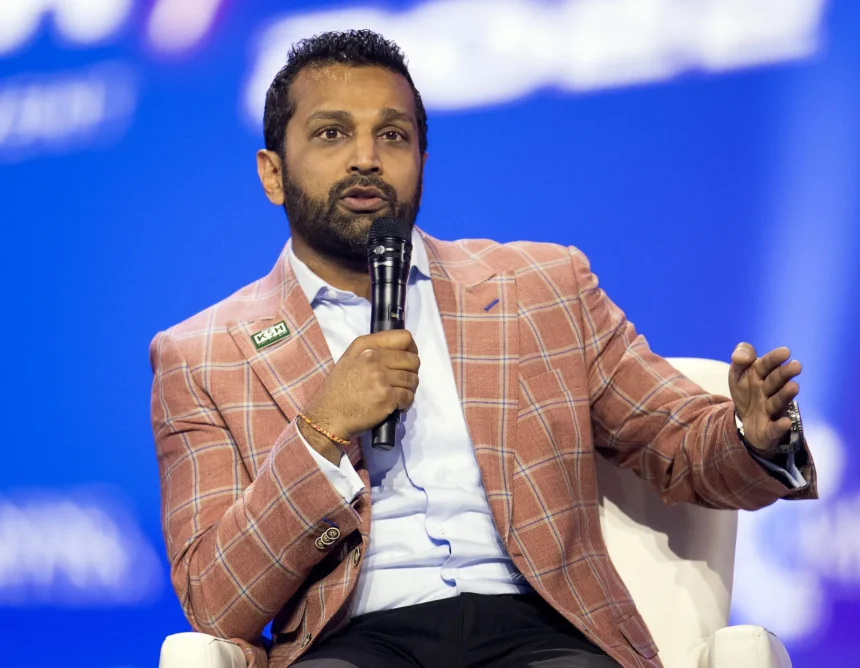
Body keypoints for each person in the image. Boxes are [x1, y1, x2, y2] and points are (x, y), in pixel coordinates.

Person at [150, 30, 816, 668]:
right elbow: (217, 601)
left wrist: (754, 436)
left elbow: (679, 442)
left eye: (393, 134)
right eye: (331, 133)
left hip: (542, 629)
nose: (366, 158)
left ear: (421, 164)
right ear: (272, 173)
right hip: (352, 640)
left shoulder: (542, 288)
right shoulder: (203, 356)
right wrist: (321, 432)